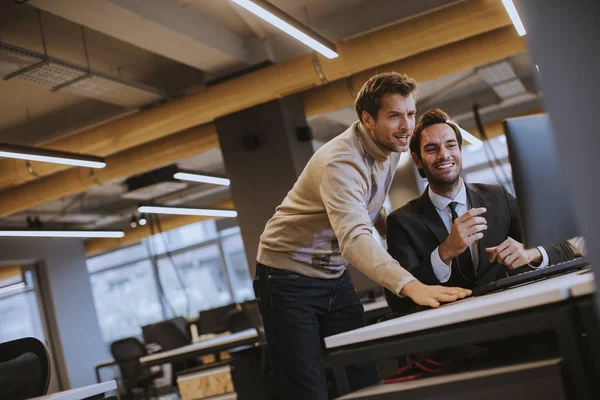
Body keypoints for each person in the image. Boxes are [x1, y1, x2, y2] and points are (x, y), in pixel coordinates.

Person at [254, 73, 471, 400]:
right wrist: (412, 285)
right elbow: (354, 239)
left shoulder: (391, 145)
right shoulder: (341, 162)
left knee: (364, 373)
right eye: (395, 115)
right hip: (287, 277)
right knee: (307, 388)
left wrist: (395, 233)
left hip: (333, 274)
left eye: (410, 113)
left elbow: (369, 205)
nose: (407, 126)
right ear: (367, 119)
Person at [385, 108, 583, 313]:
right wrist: (444, 253)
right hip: (453, 330)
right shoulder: (402, 222)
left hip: (515, 314)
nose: (444, 155)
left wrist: (532, 252)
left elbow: (563, 249)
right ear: (418, 160)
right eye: (432, 149)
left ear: (460, 151)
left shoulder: (497, 197)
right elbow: (398, 299)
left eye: (451, 145)